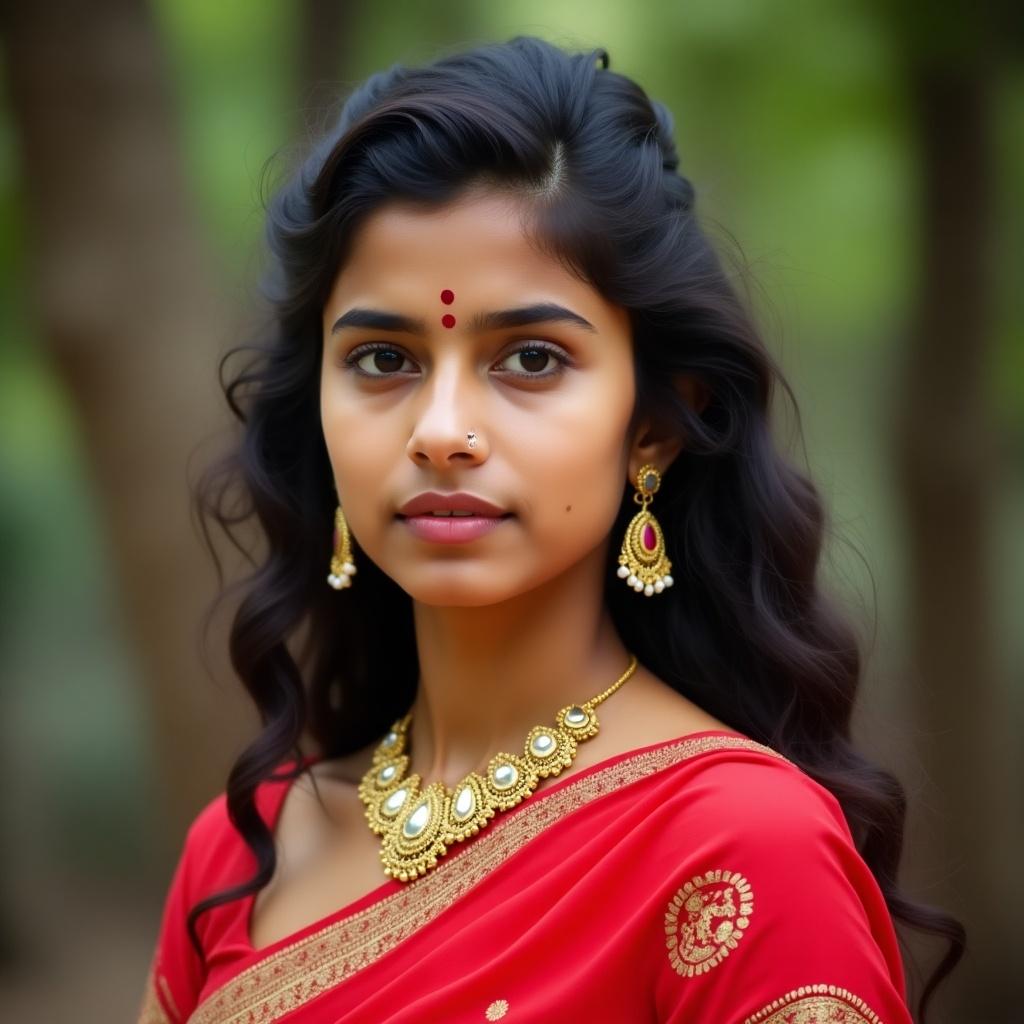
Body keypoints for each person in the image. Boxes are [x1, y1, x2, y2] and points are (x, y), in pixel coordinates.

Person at [135, 35, 964, 1024]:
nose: (441, 432)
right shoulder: (242, 851)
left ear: (653, 422)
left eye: (529, 358)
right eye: (380, 359)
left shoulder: (739, 851)